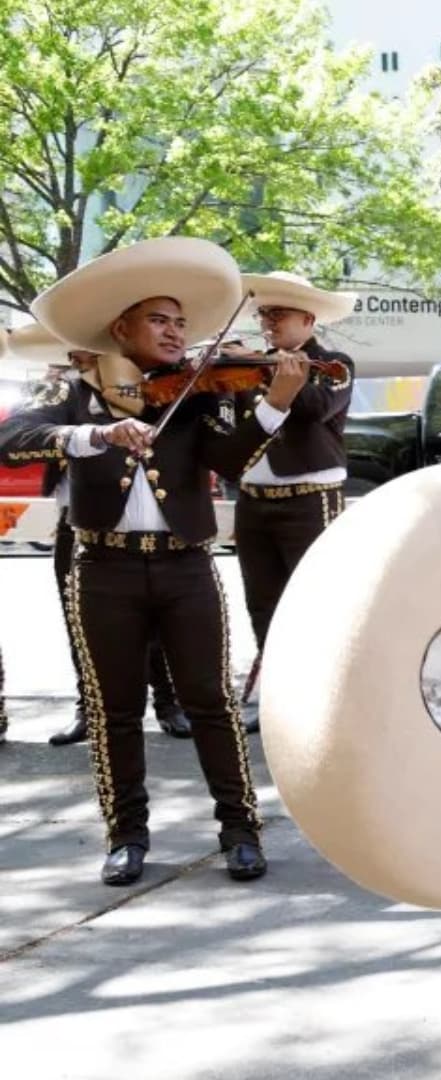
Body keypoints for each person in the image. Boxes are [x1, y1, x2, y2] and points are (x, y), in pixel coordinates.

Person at [0, 237, 307, 887]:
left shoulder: (196, 393)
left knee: (210, 703)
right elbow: (13, 437)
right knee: (115, 710)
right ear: (121, 328)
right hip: (103, 567)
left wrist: (276, 402)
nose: (174, 333)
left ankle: (240, 829)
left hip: (185, 567)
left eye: (179, 323)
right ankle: (126, 835)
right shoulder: (77, 387)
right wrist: (95, 435)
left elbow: (230, 462)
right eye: (158, 321)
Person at [1, 334, 191, 747]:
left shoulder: (142, 384)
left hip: (146, 524)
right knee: (79, 620)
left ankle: (167, 703)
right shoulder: (62, 389)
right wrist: (73, 425)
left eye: (84, 347)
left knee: (156, 623)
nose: (77, 356)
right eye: (71, 350)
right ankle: (88, 708)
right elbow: (12, 440)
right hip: (80, 520)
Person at [227, 272, 356, 734]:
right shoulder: (253, 366)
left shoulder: (334, 363)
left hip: (309, 496)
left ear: (308, 318)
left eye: (277, 314)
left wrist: (264, 365)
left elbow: (312, 409)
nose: (267, 321)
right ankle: (276, 694)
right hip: (254, 496)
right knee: (262, 602)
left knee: (316, 601)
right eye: (263, 314)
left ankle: (325, 696)